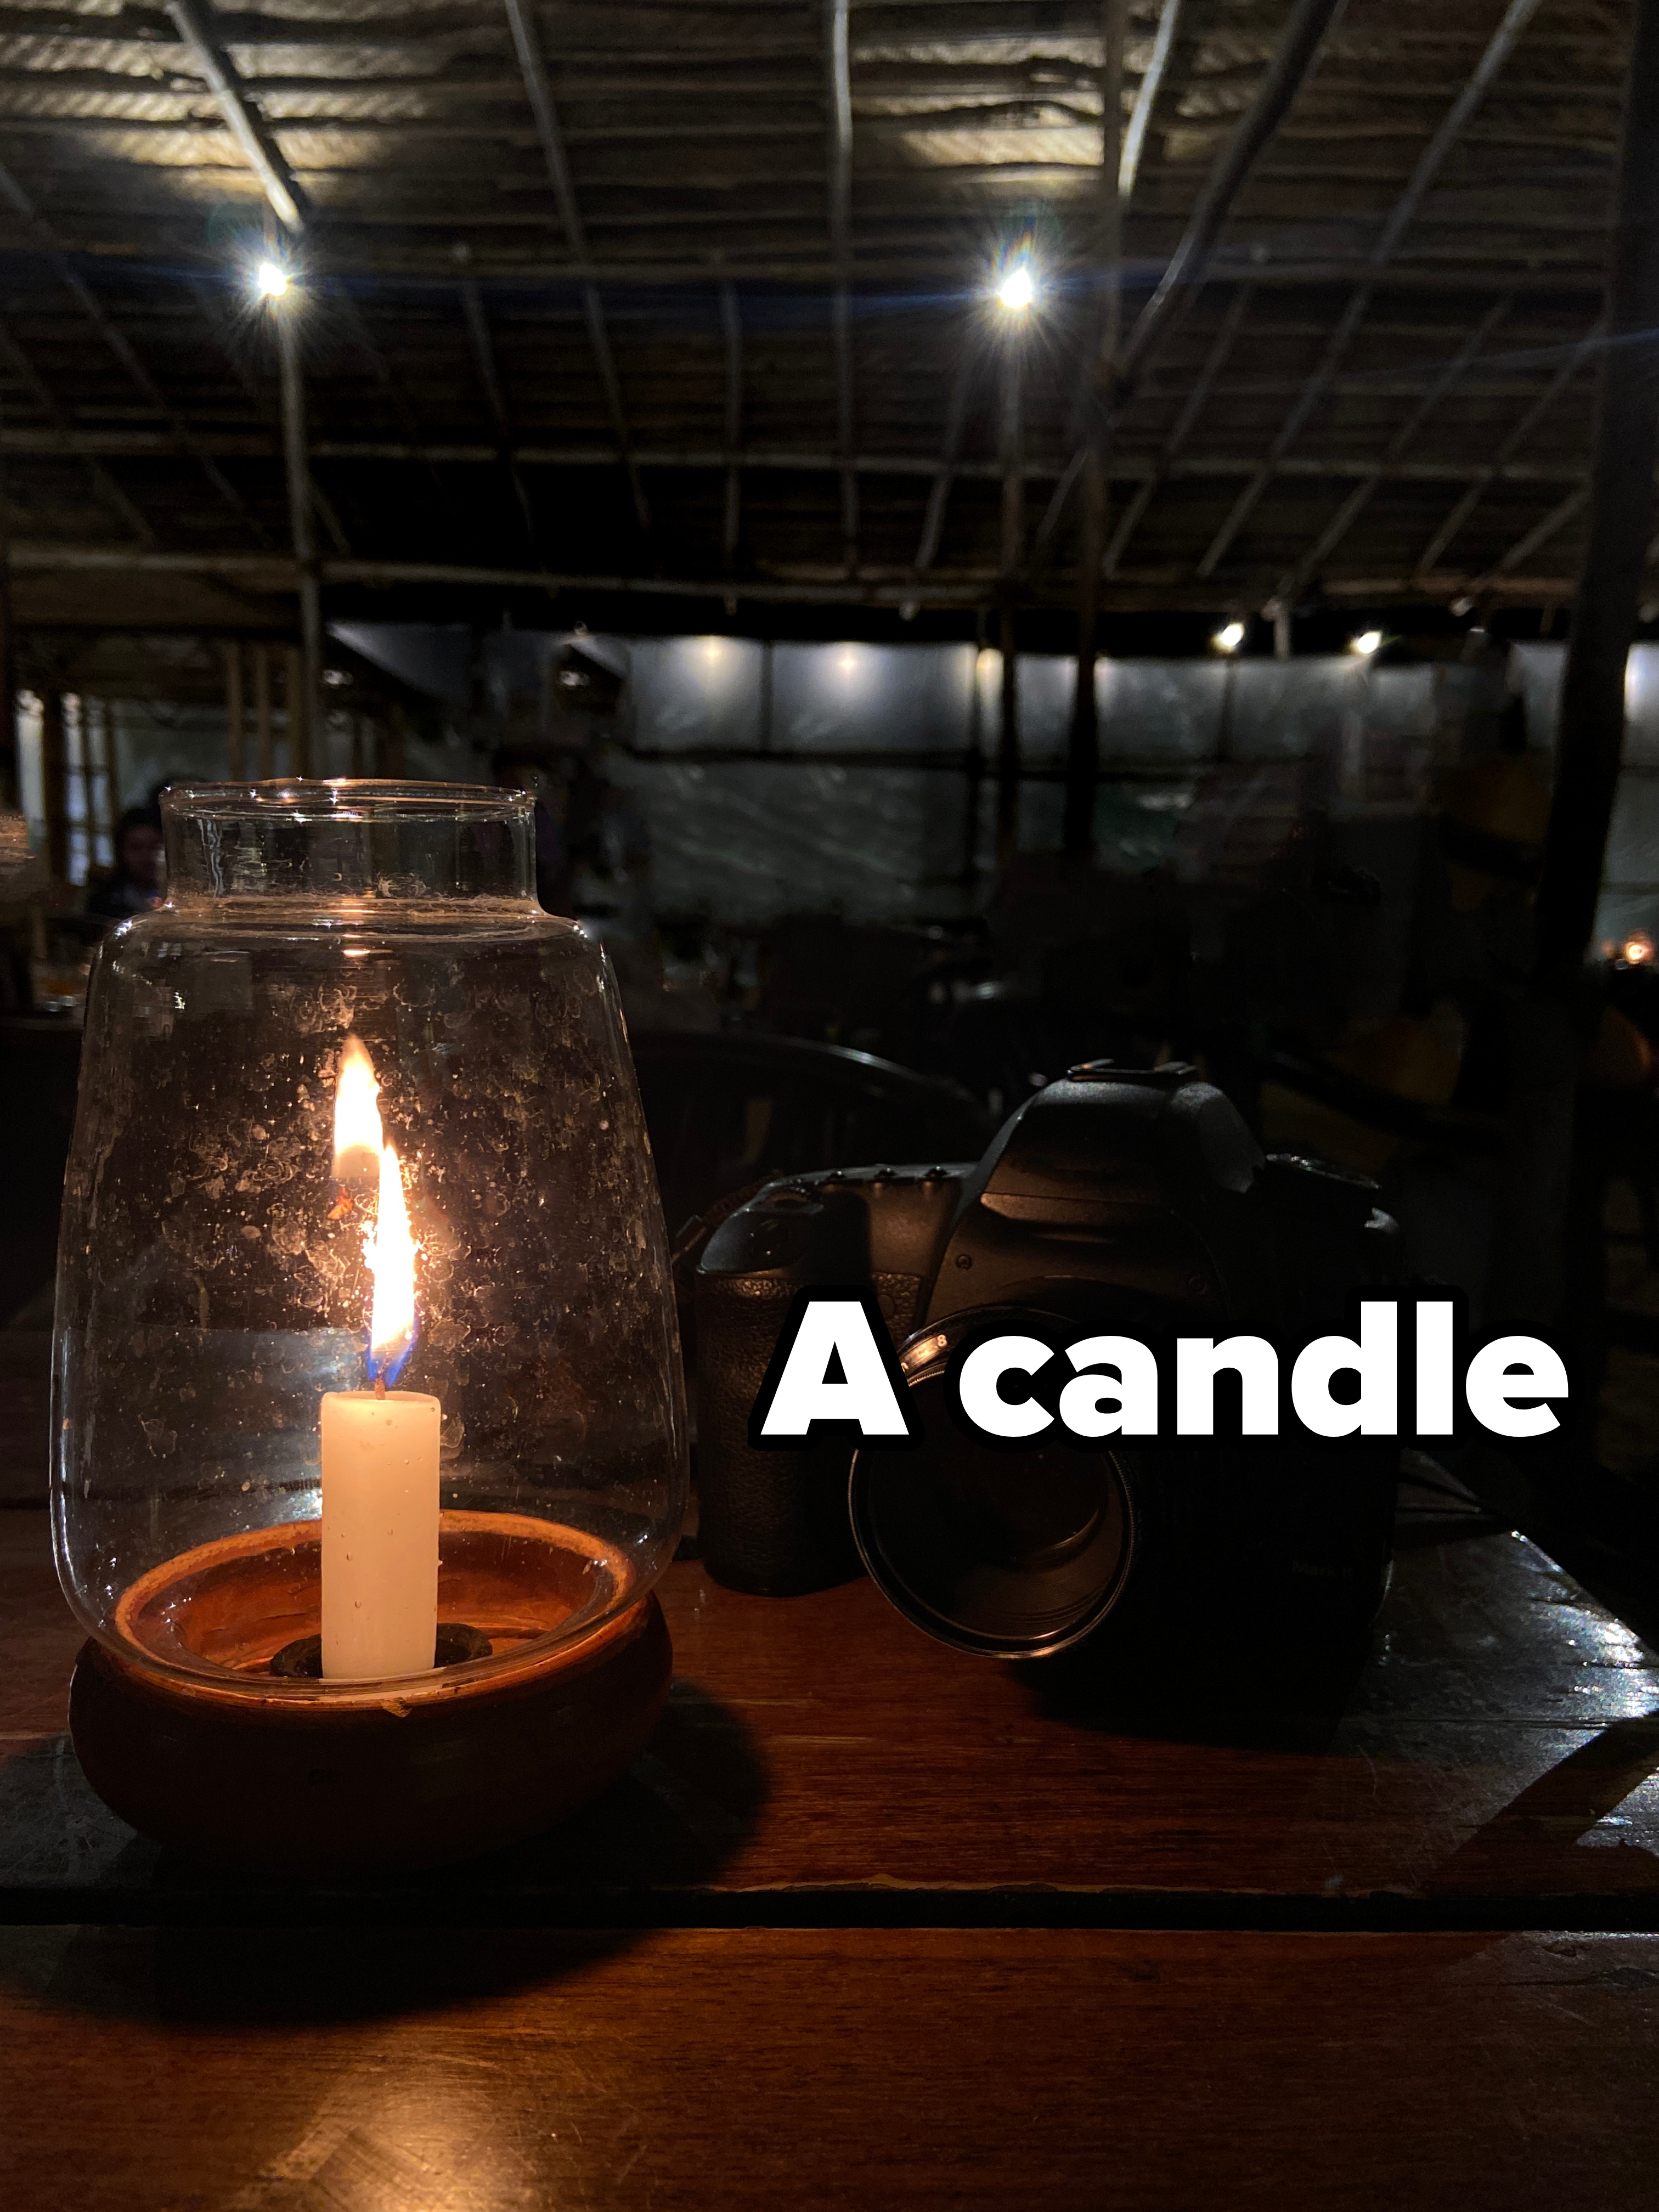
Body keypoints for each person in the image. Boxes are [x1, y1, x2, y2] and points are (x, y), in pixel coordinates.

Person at [86, 804, 164, 921]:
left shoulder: (182, 899)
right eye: (136, 848)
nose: (147, 856)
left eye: (155, 847)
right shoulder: (106, 902)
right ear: (121, 852)